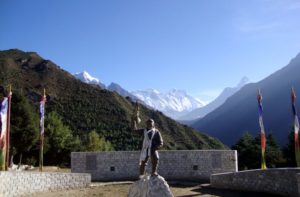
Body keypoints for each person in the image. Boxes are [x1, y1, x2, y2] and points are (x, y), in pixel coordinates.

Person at [131, 102, 163, 177]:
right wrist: (133, 121)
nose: (149, 124)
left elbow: (161, 142)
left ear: (153, 124)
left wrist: (155, 147)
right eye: (148, 123)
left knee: (156, 159)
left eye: (151, 123)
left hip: (153, 149)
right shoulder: (143, 131)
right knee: (143, 162)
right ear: (146, 124)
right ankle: (141, 175)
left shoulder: (156, 132)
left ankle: (154, 172)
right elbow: (134, 130)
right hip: (145, 149)